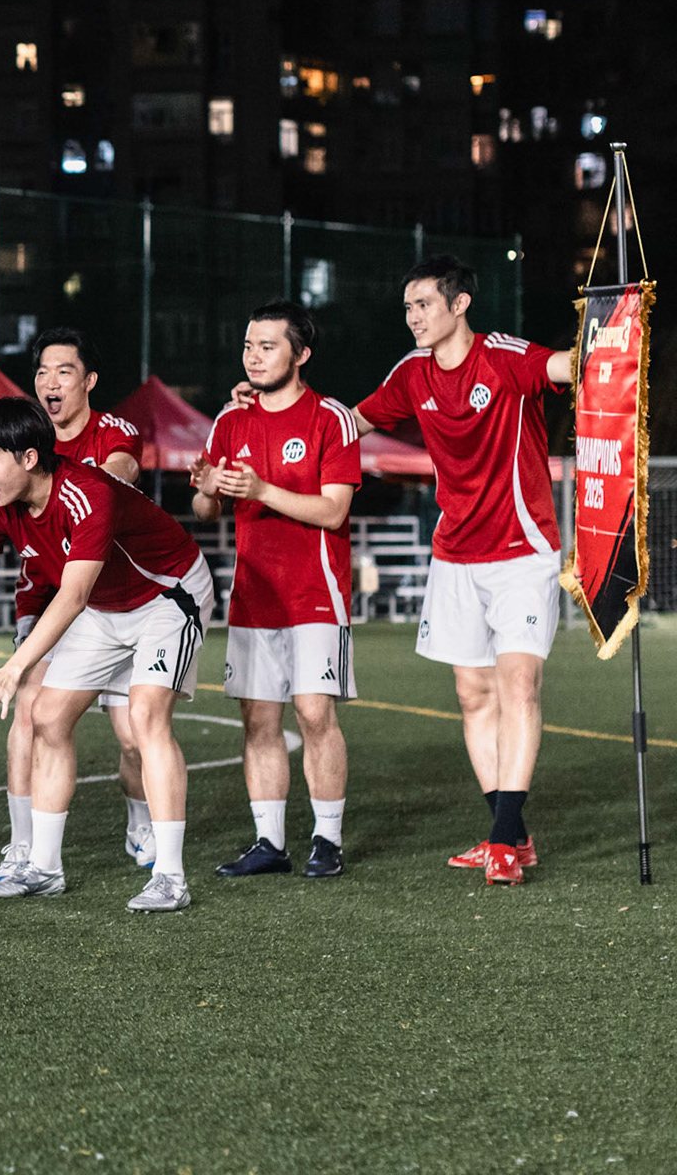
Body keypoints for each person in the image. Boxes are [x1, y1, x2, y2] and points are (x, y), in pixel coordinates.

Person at [0, 397, 213, 913]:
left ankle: (170, 876)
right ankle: (44, 868)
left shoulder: (88, 494)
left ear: (29, 458)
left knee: (146, 716)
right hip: (104, 605)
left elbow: (73, 595)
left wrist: (13, 670)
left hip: (167, 595)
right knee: (47, 717)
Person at [352, 255, 571, 885]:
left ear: (459, 304)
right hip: (454, 555)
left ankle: (503, 840)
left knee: (518, 686)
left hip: (522, 550)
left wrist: (608, 338)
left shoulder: (501, 357)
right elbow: (352, 421)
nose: (413, 317)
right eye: (408, 307)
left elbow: (560, 366)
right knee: (472, 695)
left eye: (424, 304)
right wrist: (269, 406)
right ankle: (512, 834)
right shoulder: (412, 372)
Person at [192, 302, 360, 880]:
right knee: (260, 722)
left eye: (267, 345)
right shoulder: (230, 421)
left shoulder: (329, 418)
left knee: (314, 714)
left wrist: (261, 489)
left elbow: (335, 512)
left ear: (301, 354)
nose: (254, 356)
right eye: (248, 345)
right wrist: (208, 489)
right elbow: (205, 507)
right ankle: (269, 842)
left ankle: (328, 839)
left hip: (317, 592)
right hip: (253, 597)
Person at [26, 328, 154, 871]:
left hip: (115, 600)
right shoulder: (27, 436)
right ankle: (25, 846)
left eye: (64, 372)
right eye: (42, 373)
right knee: (32, 714)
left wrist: (86, 491)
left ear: (89, 381)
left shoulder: (114, 431)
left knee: (131, 736)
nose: (50, 384)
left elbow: (120, 471)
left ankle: (140, 823)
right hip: (46, 594)